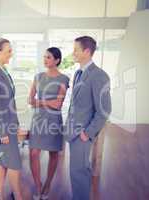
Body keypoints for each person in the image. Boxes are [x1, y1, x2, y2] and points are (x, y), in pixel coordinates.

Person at [63, 36, 111, 200]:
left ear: (87, 51)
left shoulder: (99, 75)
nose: (73, 52)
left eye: (76, 49)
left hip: (82, 135)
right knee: (77, 172)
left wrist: (87, 133)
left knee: (79, 173)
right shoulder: (78, 73)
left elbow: (104, 110)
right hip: (73, 132)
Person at [28, 47, 69, 200]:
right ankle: (38, 184)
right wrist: (47, 102)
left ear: (57, 60)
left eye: (49, 57)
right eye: (44, 57)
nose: (45, 60)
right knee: (33, 153)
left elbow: (58, 104)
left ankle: (48, 183)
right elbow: (30, 101)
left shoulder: (64, 79)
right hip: (38, 120)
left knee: (53, 153)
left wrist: (39, 102)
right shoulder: (38, 77)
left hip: (53, 121)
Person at [0, 38, 23, 200]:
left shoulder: (3, 71)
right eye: (8, 51)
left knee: (4, 162)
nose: (11, 54)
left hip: (10, 126)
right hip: (4, 130)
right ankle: (18, 196)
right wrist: (1, 133)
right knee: (14, 164)